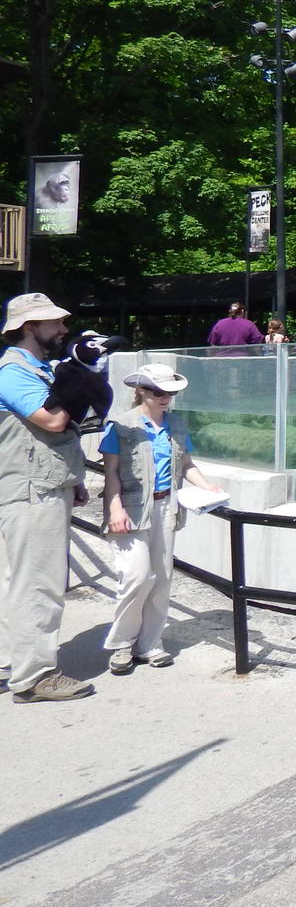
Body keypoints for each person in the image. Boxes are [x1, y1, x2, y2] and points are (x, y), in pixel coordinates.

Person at [99, 363, 224, 673]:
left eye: (170, 392)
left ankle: (150, 643)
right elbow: (111, 471)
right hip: (131, 507)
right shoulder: (121, 425)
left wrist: (208, 487)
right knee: (135, 576)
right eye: (158, 391)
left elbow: (187, 464)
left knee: (162, 577)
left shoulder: (177, 425)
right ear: (141, 390)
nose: (165, 397)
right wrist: (115, 509)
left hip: (166, 505)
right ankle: (122, 642)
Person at [0, 292, 94, 703]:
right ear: (29, 327)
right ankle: (35, 677)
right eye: (54, 322)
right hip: (32, 492)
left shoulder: (35, 368)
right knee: (39, 583)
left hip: (38, 485)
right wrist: (82, 376)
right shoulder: (14, 371)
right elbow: (53, 421)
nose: (63, 329)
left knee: (15, 582)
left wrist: (73, 480)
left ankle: (11, 663)